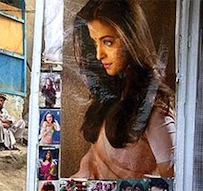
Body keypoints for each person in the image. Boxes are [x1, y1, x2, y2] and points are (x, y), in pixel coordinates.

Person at [71, 0, 175, 179]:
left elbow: (173, 181)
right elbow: (89, 168)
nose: (99, 54)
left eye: (108, 42)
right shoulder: (110, 99)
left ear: (131, 41)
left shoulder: (153, 108)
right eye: (95, 43)